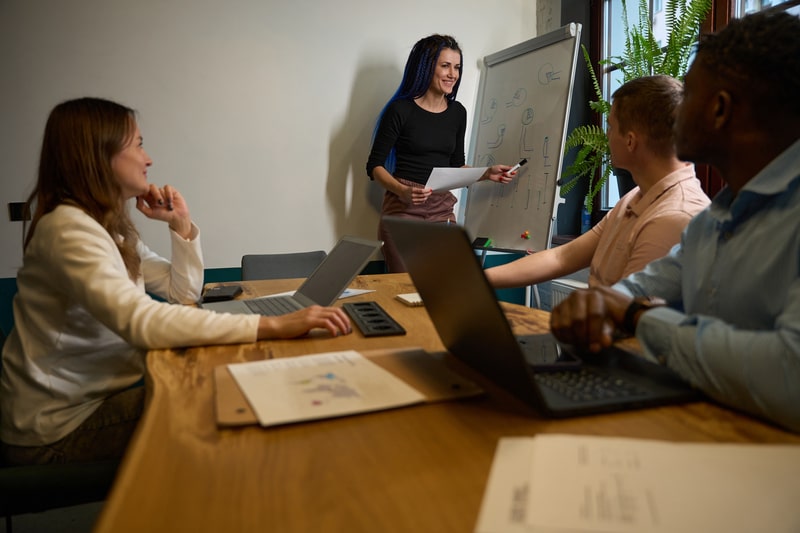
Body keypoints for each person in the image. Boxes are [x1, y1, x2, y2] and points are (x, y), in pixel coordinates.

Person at [0, 97, 352, 465]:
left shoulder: (106, 227)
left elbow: (181, 293)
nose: (148, 158)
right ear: (98, 155)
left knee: (225, 388)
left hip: (82, 406)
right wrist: (274, 324)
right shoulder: (68, 230)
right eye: (137, 144)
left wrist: (180, 224)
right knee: (227, 398)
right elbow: (143, 323)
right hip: (56, 430)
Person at [550, 11, 800, 433]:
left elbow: (790, 373)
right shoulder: (713, 221)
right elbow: (636, 291)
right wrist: (605, 305)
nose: (675, 110)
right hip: (702, 439)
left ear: (719, 109)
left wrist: (638, 317)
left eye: (689, 96)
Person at [485, 75, 709, 290]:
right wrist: (476, 278)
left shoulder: (673, 219)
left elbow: (626, 314)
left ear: (630, 141)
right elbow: (561, 257)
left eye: (610, 127)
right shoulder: (635, 197)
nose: (606, 135)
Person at [366, 34, 515, 273]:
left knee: (446, 287)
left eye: (456, 67)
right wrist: (403, 192)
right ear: (426, 67)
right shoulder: (400, 109)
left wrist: (487, 173)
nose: (452, 74)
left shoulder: (457, 113)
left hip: (442, 210)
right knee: (405, 290)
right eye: (445, 66)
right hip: (403, 213)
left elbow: (457, 165)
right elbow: (374, 166)